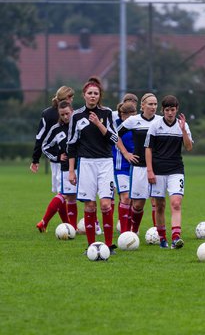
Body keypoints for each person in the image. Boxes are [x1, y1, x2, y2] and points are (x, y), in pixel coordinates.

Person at [67, 76, 118, 254]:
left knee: (105, 205)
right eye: (90, 93)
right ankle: (91, 246)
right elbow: (71, 144)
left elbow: (114, 139)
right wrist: (71, 171)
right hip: (86, 164)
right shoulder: (76, 116)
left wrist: (98, 124)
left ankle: (109, 245)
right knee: (89, 206)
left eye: (96, 93)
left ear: (99, 96)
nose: (93, 96)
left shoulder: (107, 113)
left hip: (105, 163)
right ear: (84, 95)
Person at [145, 95, 193, 249]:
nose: (170, 113)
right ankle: (162, 239)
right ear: (163, 110)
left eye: (173, 110)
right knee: (159, 205)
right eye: (167, 110)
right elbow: (148, 149)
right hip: (158, 171)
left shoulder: (182, 125)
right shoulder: (155, 125)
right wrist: (150, 171)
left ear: (177, 109)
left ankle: (175, 237)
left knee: (176, 203)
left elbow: (189, 147)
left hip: (176, 169)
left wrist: (184, 130)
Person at [117, 93, 165, 234]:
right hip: (139, 167)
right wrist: (126, 153)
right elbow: (115, 135)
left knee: (157, 202)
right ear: (142, 105)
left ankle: (159, 234)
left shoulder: (160, 121)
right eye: (150, 104)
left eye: (155, 104)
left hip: (157, 168)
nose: (153, 107)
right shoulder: (133, 120)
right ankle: (134, 232)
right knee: (138, 204)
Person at [31, 86, 75, 232]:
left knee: (62, 193)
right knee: (63, 193)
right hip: (60, 161)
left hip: (67, 160)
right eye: (70, 98)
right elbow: (41, 138)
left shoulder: (71, 115)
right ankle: (48, 222)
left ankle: (67, 225)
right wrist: (36, 159)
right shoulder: (49, 114)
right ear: (64, 99)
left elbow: (39, 138)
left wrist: (36, 159)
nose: (72, 100)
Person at [41, 100, 78, 230]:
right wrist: (57, 156)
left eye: (67, 113)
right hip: (67, 167)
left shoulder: (79, 125)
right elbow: (45, 147)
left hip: (85, 165)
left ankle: (81, 226)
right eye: (62, 115)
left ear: (72, 111)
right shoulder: (56, 129)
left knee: (84, 198)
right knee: (67, 195)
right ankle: (44, 222)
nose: (65, 117)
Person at [112, 102, 137, 233]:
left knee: (134, 200)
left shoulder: (138, 124)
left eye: (133, 116)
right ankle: (124, 232)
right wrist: (125, 153)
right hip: (120, 166)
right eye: (128, 116)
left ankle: (132, 229)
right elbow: (115, 138)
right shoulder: (116, 125)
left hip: (136, 167)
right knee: (126, 197)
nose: (131, 119)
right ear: (122, 115)